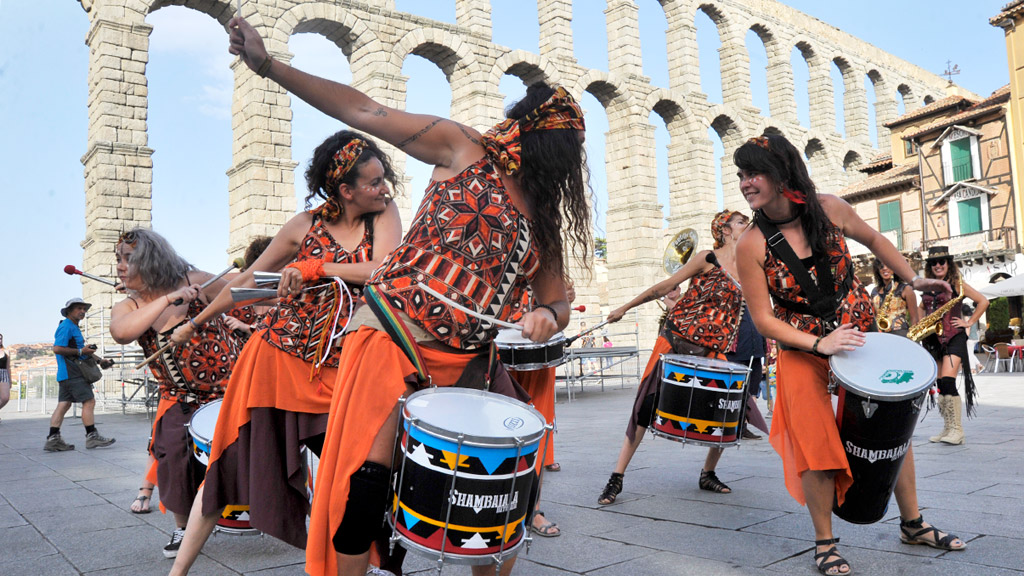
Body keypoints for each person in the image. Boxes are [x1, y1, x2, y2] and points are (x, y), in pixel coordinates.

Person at [227, 16, 591, 576]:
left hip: (470, 360)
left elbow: (558, 300)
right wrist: (268, 66)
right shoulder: (463, 146)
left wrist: (548, 312)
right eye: (564, 147)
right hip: (393, 337)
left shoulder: (543, 219)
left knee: (503, 488)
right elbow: (363, 112)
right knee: (366, 484)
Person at [166, 130, 402, 576]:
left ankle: (370, 561)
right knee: (226, 461)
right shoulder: (302, 226)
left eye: (384, 178)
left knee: (363, 469)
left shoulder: (383, 214)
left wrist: (315, 267)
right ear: (344, 190)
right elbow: (248, 283)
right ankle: (177, 573)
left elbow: (383, 270)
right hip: (276, 358)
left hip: (345, 363)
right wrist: (196, 322)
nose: (385, 187)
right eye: (373, 182)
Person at [733, 134, 965, 576]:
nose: (746, 183)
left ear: (782, 172)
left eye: (754, 172)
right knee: (815, 440)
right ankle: (825, 543)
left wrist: (913, 279)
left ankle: (912, 524)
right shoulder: (750, 244)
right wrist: (820, 344)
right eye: (741, 175)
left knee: (893, 426)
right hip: (803, 348)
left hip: (859, 335)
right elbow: (763, 320)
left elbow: (876, 240)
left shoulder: (830, 209)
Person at [597, 210, 750, 506]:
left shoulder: (750, 266)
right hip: (675, 337)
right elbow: (664, 287)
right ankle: (616, 477)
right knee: (645, 407)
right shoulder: (708, 258)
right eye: (741, 221)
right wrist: (624, 308)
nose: (747, 225)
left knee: (729, 409)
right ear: (726, 230)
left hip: (712, 346)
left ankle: (708, 473)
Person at [108, 228, 238, 558]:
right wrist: (168, 299)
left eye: (128, 259)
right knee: (173, 460)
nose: (120, 266)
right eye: (118, 259)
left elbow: (241, 293)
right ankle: (183, 529)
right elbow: (121, 332)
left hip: (229, 392)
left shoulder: (194, 278)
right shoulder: (129, 304)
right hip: (179, 397)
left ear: (150, 259)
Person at [919, 245, 988, 445]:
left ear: (948, 264)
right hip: (933, 339)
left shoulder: (958, 284)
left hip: (953, 337)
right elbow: (921, 306)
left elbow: (983, 301)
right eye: (933, 263)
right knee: (941, 385)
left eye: (942, 261)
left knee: (948, 382)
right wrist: (921, 322)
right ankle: (947, 428)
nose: (938, 265)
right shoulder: (927, 285)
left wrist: (968, 322)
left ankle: (957, 430)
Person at [46, 298, 116, 452]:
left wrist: (100, 361)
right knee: (89, 401)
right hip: (73, 373)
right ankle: (92, 436)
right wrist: (80, 351)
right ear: (69, 311)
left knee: (64, 404)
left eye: (84, 309)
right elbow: (57, 349)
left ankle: (53, 439)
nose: (83, 311)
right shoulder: (66, 326)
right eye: (79, 308)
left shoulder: (73, 327)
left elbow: (82, 351)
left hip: (66, 374)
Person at [870, 259, 920, 336]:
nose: (884, 268)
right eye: (881, 266)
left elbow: (914, 319)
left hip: (901, 335)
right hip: (881, 335)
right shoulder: (874, 291)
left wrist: (913, 339)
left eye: (888, 265)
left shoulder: (906, 289)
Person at [0, 334, 10, 421]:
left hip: (4, 373)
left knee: (5, 398)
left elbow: (8, 367)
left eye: (1, 339)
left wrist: (10, 380)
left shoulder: (6, 351)